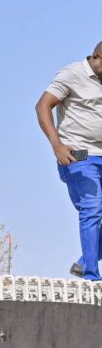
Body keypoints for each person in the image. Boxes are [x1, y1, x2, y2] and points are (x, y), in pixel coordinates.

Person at [35, 42, 102, 281]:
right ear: (97, 57)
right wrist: (57, 146)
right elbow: (42, 106)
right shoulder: (72, 74)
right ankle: (93, 277)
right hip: (79, 157)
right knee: (93, 208)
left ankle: (85, 262)